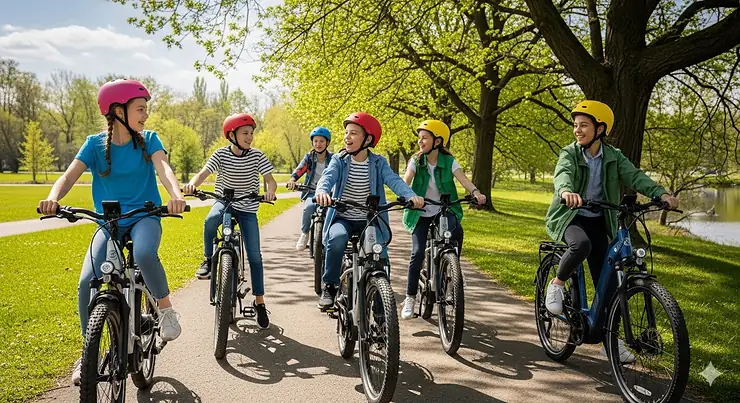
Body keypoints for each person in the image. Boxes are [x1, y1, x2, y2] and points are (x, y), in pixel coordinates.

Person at [37, 79, 186, 385]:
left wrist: (176, 195)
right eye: (140, 109)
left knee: (144, 252)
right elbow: (68, 176)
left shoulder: (149, 140)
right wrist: (54, 198)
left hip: (145, 215)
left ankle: (167, 310)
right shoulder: (94, 145)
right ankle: (88, 350)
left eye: (146, 109)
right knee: (86, 281)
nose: (145, 115)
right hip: (110, 223)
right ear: (118, 110)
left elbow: (164, 169)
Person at [544, 100, 679, 362]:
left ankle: (609, 340)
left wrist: (660, 193)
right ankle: (557, 284)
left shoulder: (614, 156)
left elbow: (636, 176)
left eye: (584, 125)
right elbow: (563, 174)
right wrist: (566, 191)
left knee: (607, 279)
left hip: (598, 219)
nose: (578, 130)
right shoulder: (569, 153)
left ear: (600, 128)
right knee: (581, 245)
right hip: (570, 217)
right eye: (576, 125)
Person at [314, 112, 425, 309]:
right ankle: (330, 285)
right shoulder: (339, 160)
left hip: (370, 219)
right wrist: (322, 191)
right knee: (337, 238)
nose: (347, 137)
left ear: (368, 139)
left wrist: (410, 195)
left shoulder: (378, 162)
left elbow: (394, 181)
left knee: (379, 254)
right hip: (343, 217)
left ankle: (382, 307)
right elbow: (327, 177)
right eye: (346, 132)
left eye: (354, 133)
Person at [183, 113, 277, 329]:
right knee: (210, 221)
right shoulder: (220, 155)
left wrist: (269, 192)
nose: (250, 137)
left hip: (247, 206)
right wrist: (191, 184)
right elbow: (203, 173)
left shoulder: (257, 156)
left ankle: (260, 301)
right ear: (232, 135)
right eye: (245, 133)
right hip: (224, 202)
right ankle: (208, 259)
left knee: (254, 255)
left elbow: (270, 181)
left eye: (251, 133)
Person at [399, 120, 486, 320]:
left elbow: (463, 179)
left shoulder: (449, 161)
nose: (420, 142)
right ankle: (410, 296)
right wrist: (407, 197)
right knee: (418, 252)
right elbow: (406, 181)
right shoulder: (416, 160)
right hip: (420, 211)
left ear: (437, 141)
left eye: (424, 138)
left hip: (444, 209)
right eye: (419, 138)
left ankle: (450, 273)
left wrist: (476, 192)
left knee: (457, 233)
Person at [286, 126, 333, 250]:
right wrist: (292, 180)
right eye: (316, 141)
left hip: (328, 193)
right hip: (312, 192)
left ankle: (327, 236)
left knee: (331, 212)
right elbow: (300, 169)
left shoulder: (332, 159)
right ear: (312, 142)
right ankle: (305, 233)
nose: (318, 144)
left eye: (322, 141)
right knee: (308, 208)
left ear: (327, 143)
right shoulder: (309, 158)